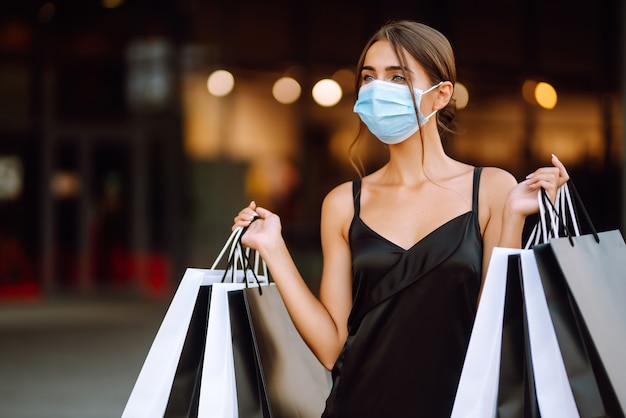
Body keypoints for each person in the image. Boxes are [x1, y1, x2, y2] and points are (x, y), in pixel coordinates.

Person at [232, 20, 569, 418]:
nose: (378, 90)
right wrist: (274, 249)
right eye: (369, 77)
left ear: (441, 94)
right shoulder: (343, 203)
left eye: (397, 77)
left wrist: (513, 217)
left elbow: (494, 328)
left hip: (456, 408)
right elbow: (330, 347)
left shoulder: (493, 190)